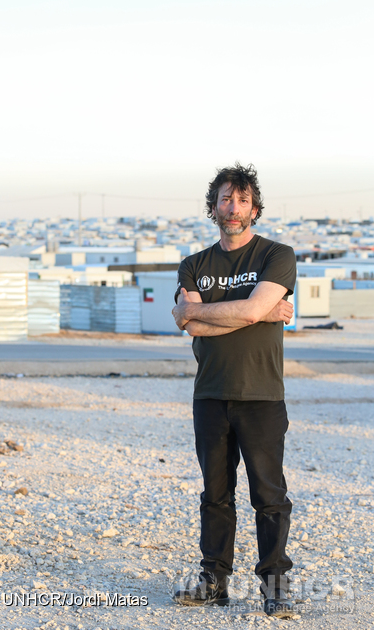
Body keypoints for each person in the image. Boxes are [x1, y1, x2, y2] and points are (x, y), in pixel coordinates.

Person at [171, 163, 296, 617]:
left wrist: (210, 315)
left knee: (269, 496)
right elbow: (189, 325)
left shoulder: (277, 255)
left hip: (262, 395)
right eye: (226, 198)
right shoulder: (194, 264)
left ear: (255, 209)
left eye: (242, 200)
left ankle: (275, 586)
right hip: (210, 395)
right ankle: (213, 582)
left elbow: (196, 318)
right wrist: (260, 311)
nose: (234, 207)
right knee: (215, 495)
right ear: (213, 207)